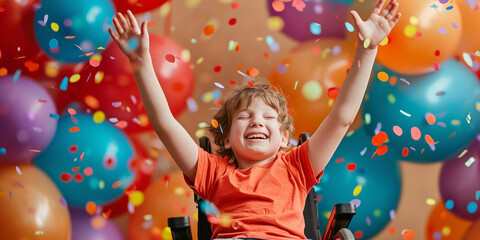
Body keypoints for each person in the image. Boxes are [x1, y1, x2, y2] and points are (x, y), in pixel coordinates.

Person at [109, 0, 401, 239]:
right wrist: (142, 63)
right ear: (224, 138)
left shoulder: (297, 167)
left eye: (268, 117)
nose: (256, 122)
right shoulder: (212, 172)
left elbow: (341, 117)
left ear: (284, 137)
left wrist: (368, 48)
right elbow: (165, 123)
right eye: (245, 116)